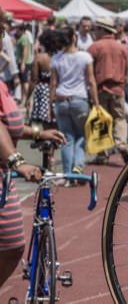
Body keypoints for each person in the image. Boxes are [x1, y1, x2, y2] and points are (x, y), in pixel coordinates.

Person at [0, 45, 65, 287]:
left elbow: (8, 125)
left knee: (12, 245)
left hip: (4, 179)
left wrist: (39, 133)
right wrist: (18, 161)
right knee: (11, 244)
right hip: (5, 171)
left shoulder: (2, 84)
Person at [50, 27, 99, 183]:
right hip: (79, 100)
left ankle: (67, 175)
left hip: (61, 100)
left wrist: (52, 102)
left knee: (66, 138)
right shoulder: (85, 57)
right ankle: (78, 165)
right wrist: (96, 103)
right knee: (82, 136)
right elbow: (91, 81)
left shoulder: (56, 58)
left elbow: (53, 83)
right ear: (74, 38)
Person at [88, 17, 128, 162]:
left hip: (100, 89)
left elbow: (88, 71)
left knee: (101, 119)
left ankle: (102, 154)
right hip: (118, 88)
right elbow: (127, 69)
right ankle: (122, 143)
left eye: (96, 29)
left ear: (102, 30)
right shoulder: (121, 47)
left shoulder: (95, 47)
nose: (94, 32)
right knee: (119, 118)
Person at [26, 30, 58, 130]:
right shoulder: (59, 57)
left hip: (43, 90)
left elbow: (34, 80)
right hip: (58, 90)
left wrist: (28, 97)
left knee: (43, 121)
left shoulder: (39, 58)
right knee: (56, 121)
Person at [14, 23, 33, 105]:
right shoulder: (23, 37)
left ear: (21, 30)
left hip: (24, 62)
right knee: (22, 82)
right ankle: (23, 100)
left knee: (25, 82)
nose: (16, 31)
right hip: (21, 62)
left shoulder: (24, 38)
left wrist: (23, 63)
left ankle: (29, 99)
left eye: (17, 29)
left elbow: (25, 51)